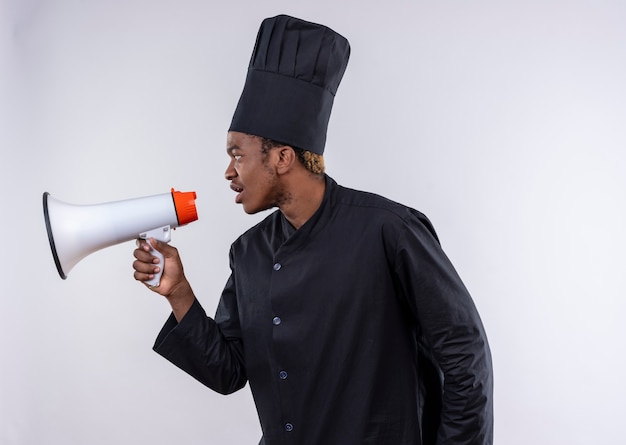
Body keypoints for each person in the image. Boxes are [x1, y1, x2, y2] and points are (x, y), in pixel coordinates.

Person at [133, 14, 493, 445]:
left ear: (282, 157)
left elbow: (464, 358)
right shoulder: (249, 253)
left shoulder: (388, 231)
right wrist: (179, 292)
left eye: (238, 154)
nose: (228, 171)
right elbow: (229, 372)